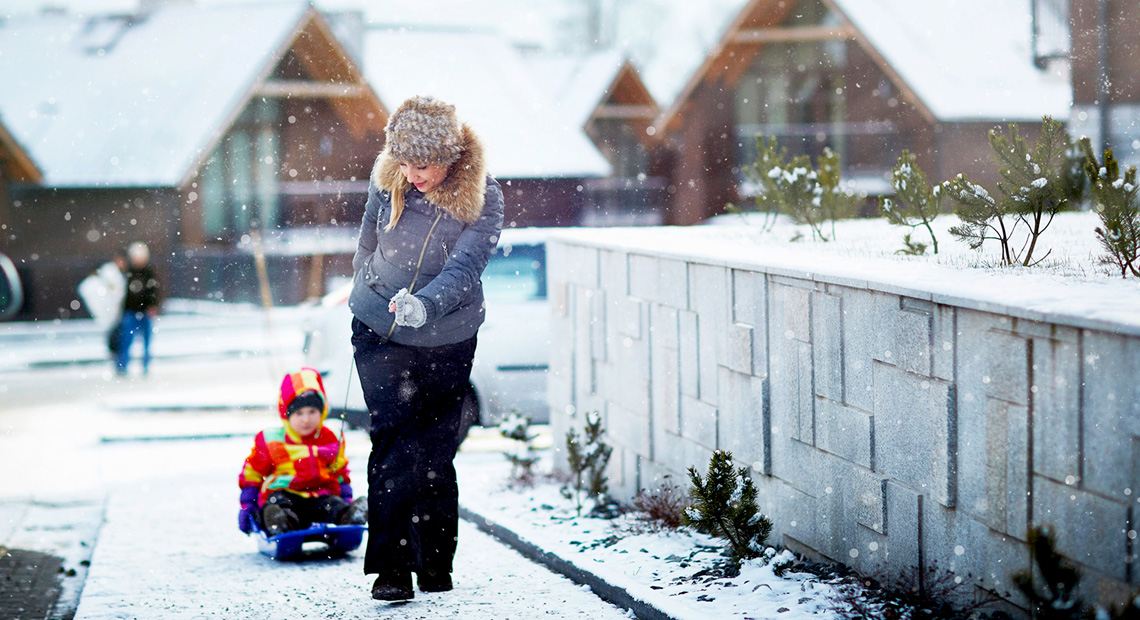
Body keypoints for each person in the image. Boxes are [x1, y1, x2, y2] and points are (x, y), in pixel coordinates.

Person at [348, 96, 503, 601]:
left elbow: (465, 266)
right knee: (393, 440)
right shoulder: (388, 176)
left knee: (436, 447)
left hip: (448, 335)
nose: (412, 174)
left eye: (423, 164)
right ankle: (392, 569)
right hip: (377, 329)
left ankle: (435, 563)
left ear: (450, 156)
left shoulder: (483, 196)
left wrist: (425, 306)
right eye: (405, 163)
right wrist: (370, 283)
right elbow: (367, 238)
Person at [237, 367, 365, 536]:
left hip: (320, 495)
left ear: (322, 411)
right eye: (299, 413)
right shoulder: (272, 440)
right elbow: (251, 475)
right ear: (287, 414)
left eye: (312, 412)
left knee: (333, 505)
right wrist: (248, 506)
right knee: (277, 503)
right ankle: (277, 521)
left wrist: (345, 500)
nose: (306, 419)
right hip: (286, 493)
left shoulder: (330, 438)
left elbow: (340, 473)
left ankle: (351, 515)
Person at [116, 242, 160, 376]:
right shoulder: (127, 272)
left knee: (146, 341)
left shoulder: (149, 272)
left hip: (145, 311)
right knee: (126, 340)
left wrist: (153, 305)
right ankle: (122, 365)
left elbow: (153, 290)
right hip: (130, 311)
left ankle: (145, 366)